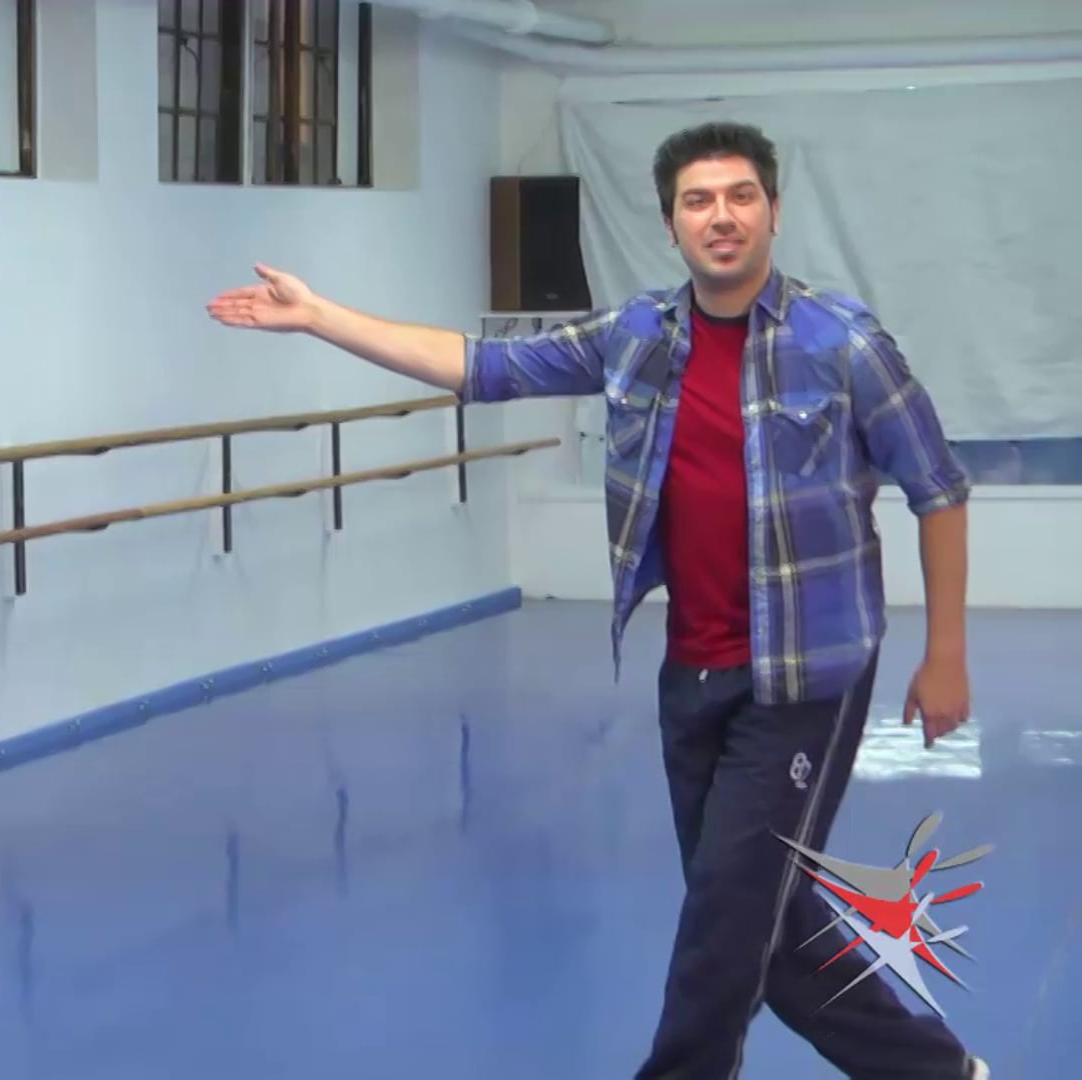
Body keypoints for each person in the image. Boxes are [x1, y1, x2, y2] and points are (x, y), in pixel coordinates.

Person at [205, 122, 988, 1080]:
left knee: (724, 923)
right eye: (698, 201)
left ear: (774, 212)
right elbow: (479, 366)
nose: (722, 216)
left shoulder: (843, 342)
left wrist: (945, 654)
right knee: (764, 921)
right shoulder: (637, 337)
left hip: (805, 676)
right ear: (671, 224)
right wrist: (321, 316)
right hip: (692, 672)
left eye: (741, 196)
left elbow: (939, 488)